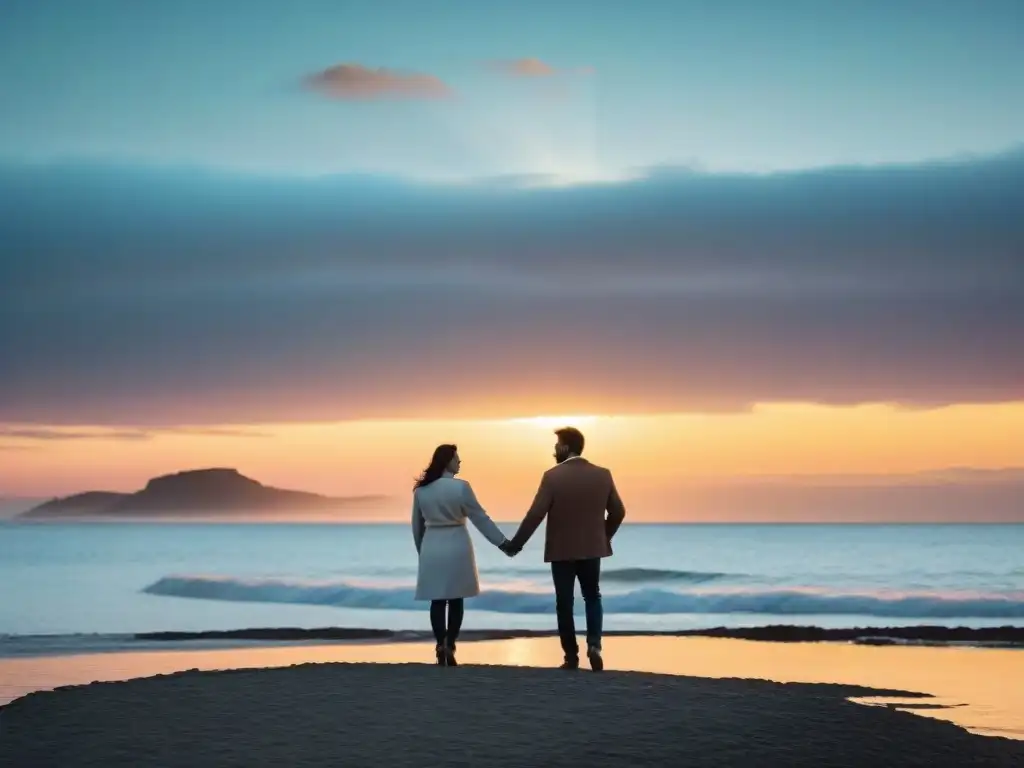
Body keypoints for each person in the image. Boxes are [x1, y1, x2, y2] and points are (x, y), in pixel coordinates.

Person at [504, 427, 626, 671]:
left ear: (565, 448)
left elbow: (535, 514)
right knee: (592, 596)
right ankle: (595, 645)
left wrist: (516, 544)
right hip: (592, 549)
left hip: (561, 551)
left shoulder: (552, 476)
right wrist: (602, 536)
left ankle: (571, 656)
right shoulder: (603, 474)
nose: (553, 450)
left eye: (556, 445)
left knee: (564, 602)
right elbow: (618, 511)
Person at [412, 443, 511, 666]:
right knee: (456, 599)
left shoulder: (422, 491)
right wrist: (502, 543)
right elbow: (480, 519)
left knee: (437, 600)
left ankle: (439, 643)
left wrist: (423, 551)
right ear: (447, 461)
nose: (460, 462)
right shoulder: (461, 488)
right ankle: (451, 645)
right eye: (457, 458)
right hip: (457, 542)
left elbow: (417, 527)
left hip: (432, 545)